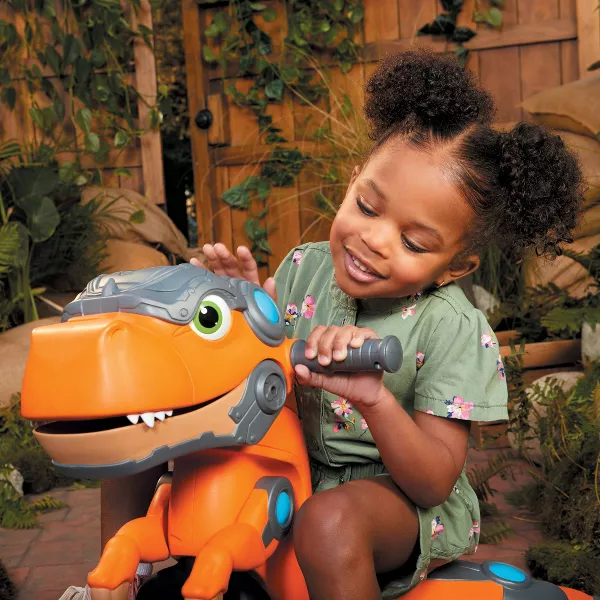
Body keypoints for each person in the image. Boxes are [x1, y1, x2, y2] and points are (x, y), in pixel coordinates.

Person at [65, 49, 584, 600]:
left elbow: (433, 480)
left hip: (393, 504)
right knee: (142, 424)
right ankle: (114, 585)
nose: (373, 239)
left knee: (328, 521)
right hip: (289, 471)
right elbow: (261, 397)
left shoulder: (453, 327)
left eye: (413, 243)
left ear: (455, 266)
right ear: (354, 181)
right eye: (367, 207)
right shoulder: (303, 268)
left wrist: (374, 399)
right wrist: (241, 312)